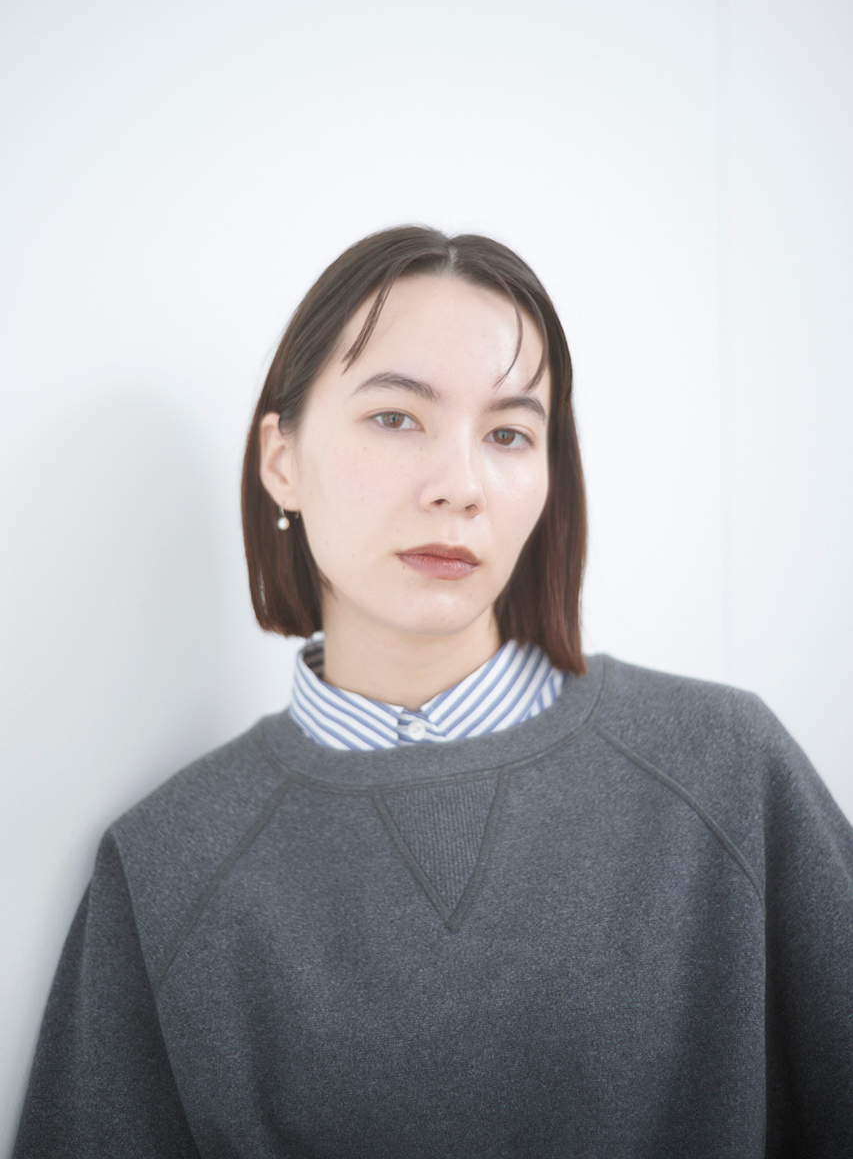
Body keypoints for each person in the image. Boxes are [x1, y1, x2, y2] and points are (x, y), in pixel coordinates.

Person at [12, 226, 853, 1157]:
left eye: (508, 434)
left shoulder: (726, 768)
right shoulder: (166, 863)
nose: (459, 486)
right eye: (396, 417)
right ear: (281, 460)